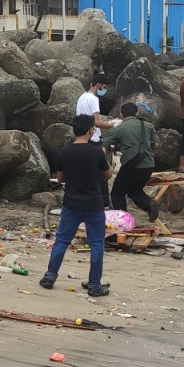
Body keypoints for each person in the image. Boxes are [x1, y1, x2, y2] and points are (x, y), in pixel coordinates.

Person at [39, 115, 111, 297]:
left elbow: (60, 178)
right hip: (93, 203)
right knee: (96, 243)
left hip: (71, 203)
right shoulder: (96, 152)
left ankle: (50, 276)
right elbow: (108, 174)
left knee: (62, 240)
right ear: (90, 130)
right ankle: (94, 285)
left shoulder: (64, 151)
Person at [102, 102, 159, 220]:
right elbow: (156, 145)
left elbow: (104, 145)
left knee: (117, 194)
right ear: (136, 112)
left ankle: (123, 220)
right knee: (135, 191)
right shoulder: (148, 125)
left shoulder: (120, 128)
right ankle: (149, 204)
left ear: (121, 114)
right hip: (148, 165)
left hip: (131, 165)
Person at [76, 74, 115, 144]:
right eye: (104, 87)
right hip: (93, 138)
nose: (105, 90)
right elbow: (96, 123)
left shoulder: (82, 97)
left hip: (83, 136)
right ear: (98, 85)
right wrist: (113, 124)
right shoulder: (93, 99)